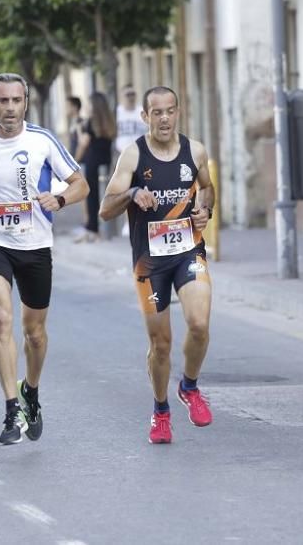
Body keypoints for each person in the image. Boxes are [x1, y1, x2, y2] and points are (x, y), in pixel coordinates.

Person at [0, 73, 88, 445]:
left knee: (35, 333)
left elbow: (81, 184)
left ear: (25, 102)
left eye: (16, 100)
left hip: (35, 244)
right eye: (2, 101)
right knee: (1, 319)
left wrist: (59, 200)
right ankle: (11, 408)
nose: (9, 108)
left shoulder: (42, 140)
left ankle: (31, 390)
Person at [99, 85, 215, 445]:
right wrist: (133, 193)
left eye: (170, 111)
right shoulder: (133, 157)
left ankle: (190, 387)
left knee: (198, 324)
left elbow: (207, 188)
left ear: (177, 112)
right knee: (161, 344)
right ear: (145, 117)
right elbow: (105, 209)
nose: (164, 118)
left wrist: (205, 211)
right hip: (150, 263)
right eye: (157, 112)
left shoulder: (194, 151)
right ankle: (161, 410)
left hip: (188, 252)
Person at [74, 92, 116, 243]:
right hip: (105, 162)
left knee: (92, 198)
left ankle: (93, 230)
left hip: (92, 164)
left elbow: (83, 142)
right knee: (106, 196)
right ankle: (105, 231)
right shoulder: (109, 121)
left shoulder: (90, 123)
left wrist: (79, 130)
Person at [114, 86, 147, 236]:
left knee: (141, 189)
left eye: (133, 93)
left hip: (140, 156)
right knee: (124, 190)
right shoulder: (117, 113)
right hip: (122, 156)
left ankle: (140, 222)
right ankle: (128, 223)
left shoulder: (141, 112)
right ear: (122, 96)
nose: (130, 97)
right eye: (127, 94)